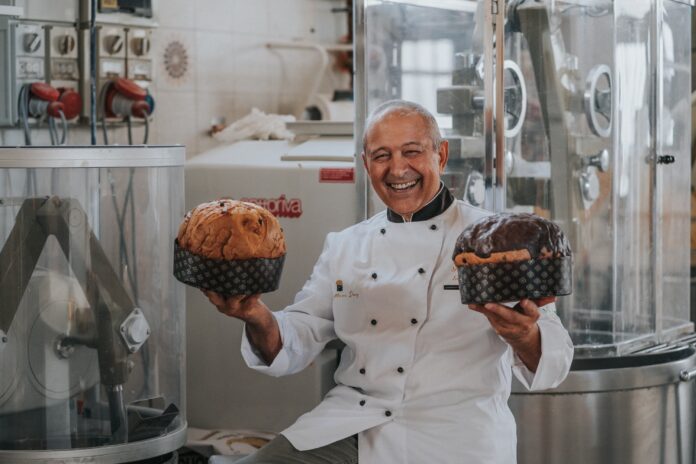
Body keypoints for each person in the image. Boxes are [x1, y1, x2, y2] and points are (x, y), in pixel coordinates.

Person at [205, 100, 574, 463]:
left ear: (440, 156)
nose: (397, 169)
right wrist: (254, 314)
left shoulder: (492, 241)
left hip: (457, 435)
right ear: (366, 164)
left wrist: (524, 336)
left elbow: (556, 360)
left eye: (411, 152)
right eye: (381, 156)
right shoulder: (345, 245)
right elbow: (299, 335)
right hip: (353, 424)